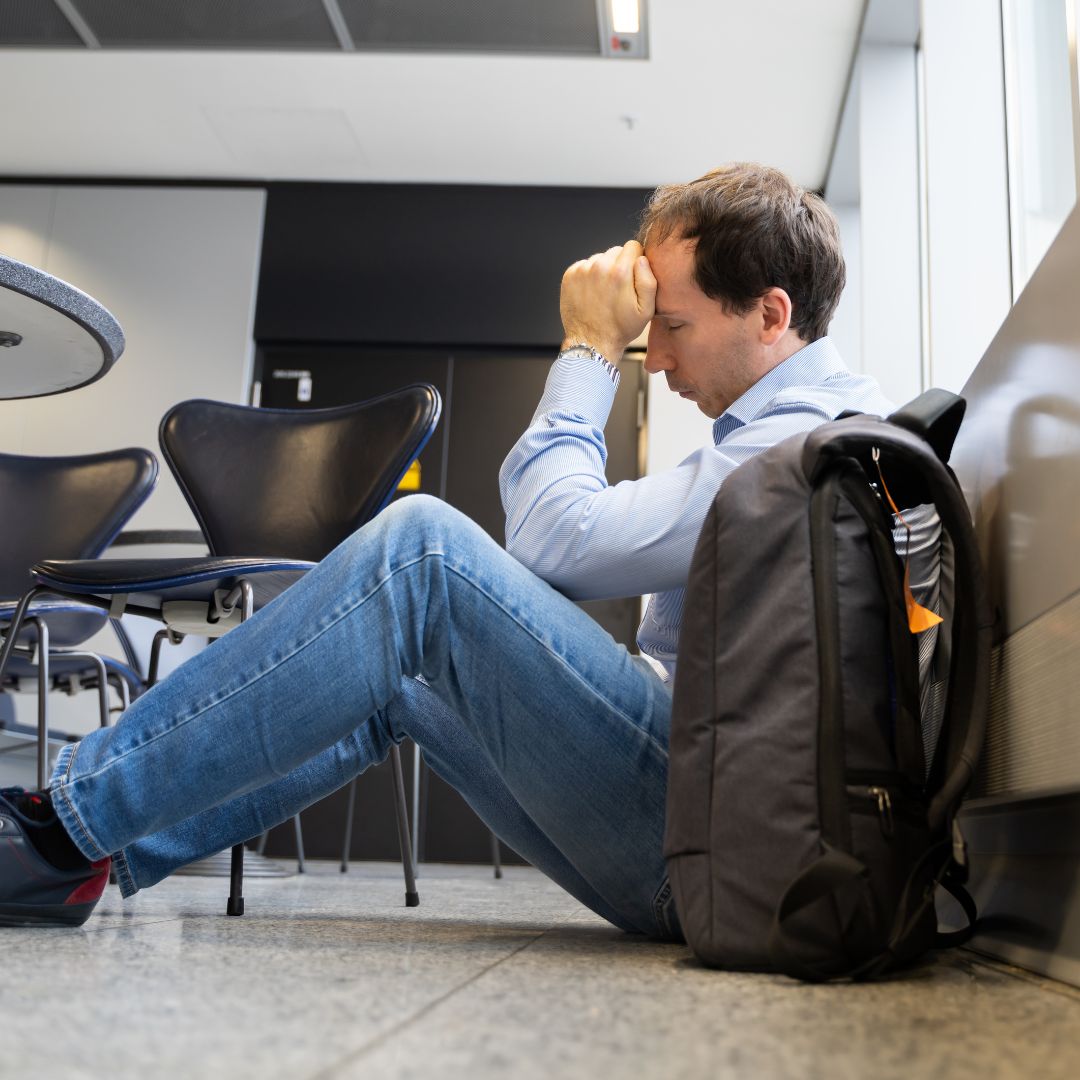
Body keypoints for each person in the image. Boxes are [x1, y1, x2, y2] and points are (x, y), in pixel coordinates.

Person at [0, 162, 934, 933]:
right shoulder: (802, 429)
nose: (657, 358)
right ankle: (96, 853)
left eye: (673, 328)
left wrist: (587, 349)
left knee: (423, 553)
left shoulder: (802, 439)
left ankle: (57, 832)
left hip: (720, 844)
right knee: (409, 680)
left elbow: (553, 540)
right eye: (647, 337)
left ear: (771, 316)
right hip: (714, 830)